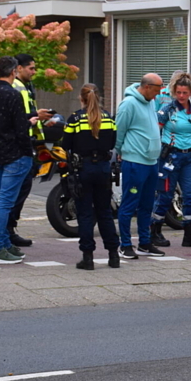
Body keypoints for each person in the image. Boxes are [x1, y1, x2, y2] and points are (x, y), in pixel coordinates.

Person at [0, 56, 38, 265]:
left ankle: (4, 243)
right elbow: (20, 129)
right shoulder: (13, 95)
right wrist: (28, 150)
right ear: (14, 71)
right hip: (15, 153)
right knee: (6, 201)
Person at [62, 84, 120, 270]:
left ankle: (88, 258)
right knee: (105, 213)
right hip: (103, 168)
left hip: (83, 169)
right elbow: (112, 142)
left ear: (82, 98)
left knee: (85, 213)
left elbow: (65, 144)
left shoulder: (75, 119)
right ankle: (113, 256)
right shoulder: (108, 118)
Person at [151, 72, 191, 248]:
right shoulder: (167, 110)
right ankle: (154, 232)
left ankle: (189, 234)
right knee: (166, 195)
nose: (182, 96)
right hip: (171, 156)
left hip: (189, 156)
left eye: (185, 93)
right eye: (179, 93)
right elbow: (156, 131)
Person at [4, 53, 54, 248]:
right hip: (18, 144)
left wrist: (41, 121)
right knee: (16, 190)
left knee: (19, 189)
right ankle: (4, 229)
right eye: (31, 68)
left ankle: (7, 228)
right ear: (19, 69)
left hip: (25, 141)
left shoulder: (24, 87)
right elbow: (18, 117)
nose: (34, 72)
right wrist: (35, 115)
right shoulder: (16, 87)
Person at [115, 73, 166, 259]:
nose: (159, 93)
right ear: (146, 87)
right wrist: (119, 151)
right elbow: (119, 130)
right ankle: (125, 245)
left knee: (147, 205)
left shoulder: (150, 101)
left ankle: (144, 242)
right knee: (129, 204)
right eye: (157, 89)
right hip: (135, 162)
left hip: (152, 162)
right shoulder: (129, 104)